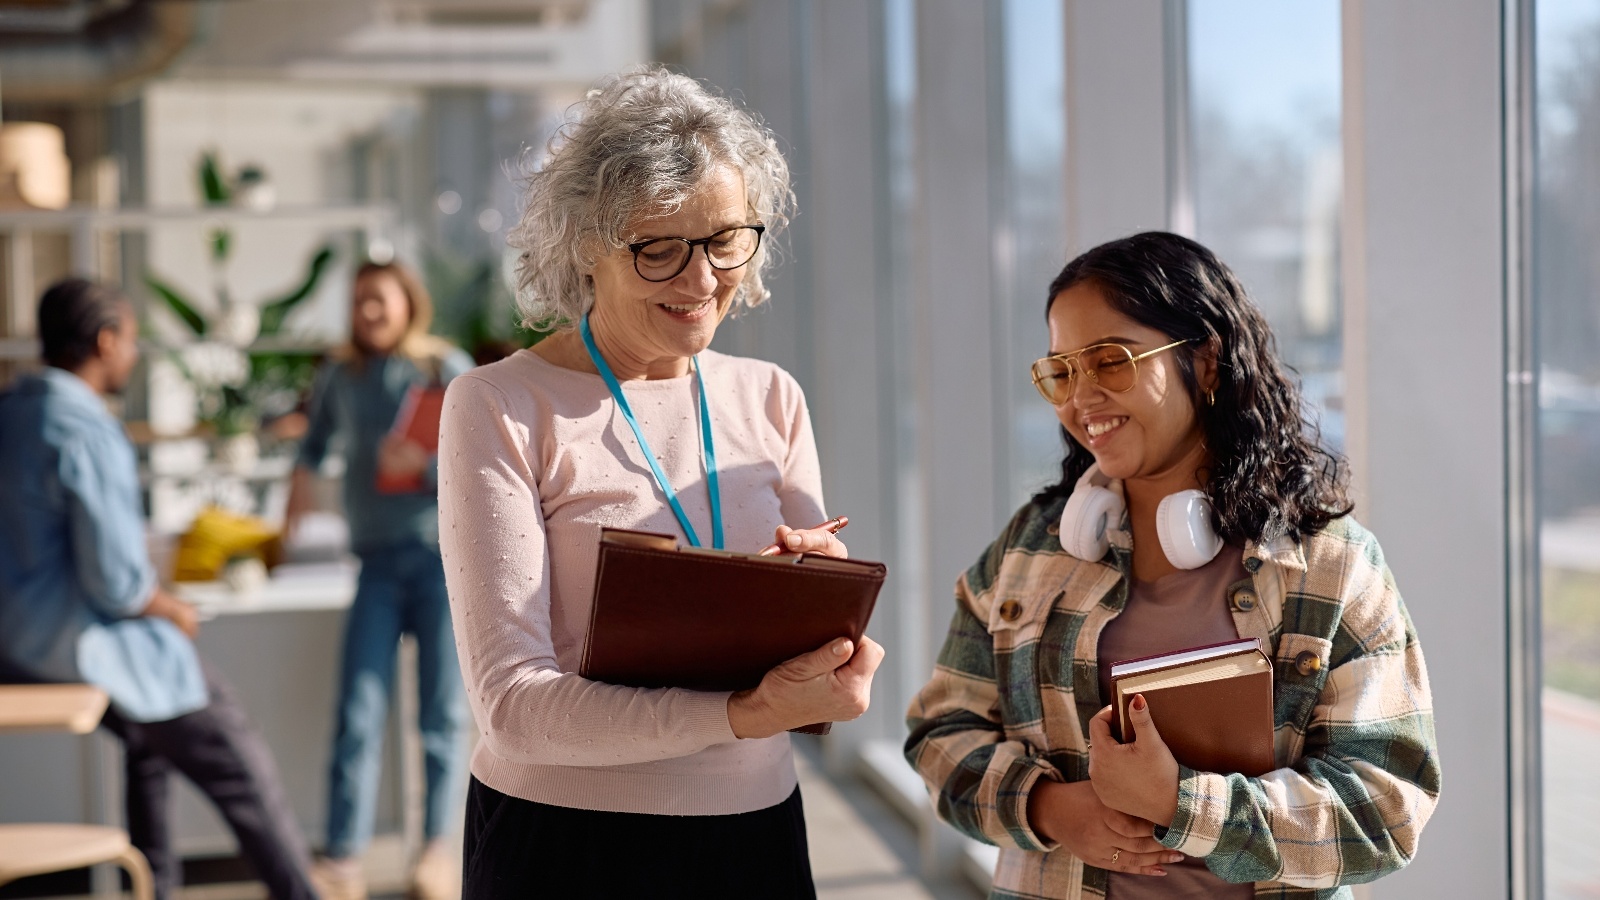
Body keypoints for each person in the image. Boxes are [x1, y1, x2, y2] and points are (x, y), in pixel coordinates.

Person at [436, 66, 885, 900]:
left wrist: (824, 619)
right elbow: (510, 706)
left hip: (754, 831)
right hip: (564, 845)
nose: (703, 279)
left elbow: (817, 654)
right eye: (658, 249)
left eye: (724, 240)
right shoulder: (500, 404)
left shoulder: (770, 397)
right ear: (584, 247)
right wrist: (739, 716)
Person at [905, 232, 1441, 899]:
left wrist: (1184, 804)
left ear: (1207, 361)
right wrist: (1048, 808)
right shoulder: (1030, 551)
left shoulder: (1330, 565)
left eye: (1111, 361)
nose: (1082, 398)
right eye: (1063, 372)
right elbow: (938, 733)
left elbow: (1387, 809)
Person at [0, 278, 318, 900]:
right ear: (105, 341)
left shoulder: (11, 411)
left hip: (13, 643)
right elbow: (117, 583)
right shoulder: (83, 428)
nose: (135, 355)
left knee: (149, 741)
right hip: (74, 644)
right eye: (132, 341)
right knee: (234, 753)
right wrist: (169, 606)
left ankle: (158, 889)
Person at [284, 261, 473, 900]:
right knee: (357, 712)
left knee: (443, 716)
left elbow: (481, 465)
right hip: (374, 566)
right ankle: (342, 860)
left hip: (440, 562)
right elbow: (311, 449)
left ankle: (437, 856)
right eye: (360, 300)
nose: (369, 312)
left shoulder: (444, 369)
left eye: (380, 300)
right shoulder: (341, 375)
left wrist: (422, 468)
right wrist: (292, 513)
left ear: (407, 304)